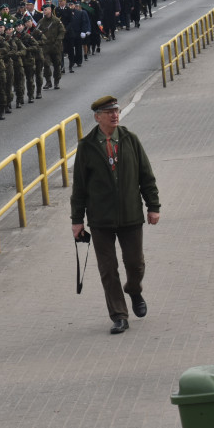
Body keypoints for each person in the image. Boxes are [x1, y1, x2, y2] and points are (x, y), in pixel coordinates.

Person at [70, 96, 161, 335]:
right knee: (108, 269)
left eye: (116, 110)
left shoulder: (130, 140)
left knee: (135, 263)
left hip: (131, 215)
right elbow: (79, 186)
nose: (114, 115)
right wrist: (77, 220)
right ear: (97, 117)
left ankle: (134, 290)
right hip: (101, 220)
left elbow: (146, 175)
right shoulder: (87, 146)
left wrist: (153, 206)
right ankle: (119, 315)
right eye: (108, 112)